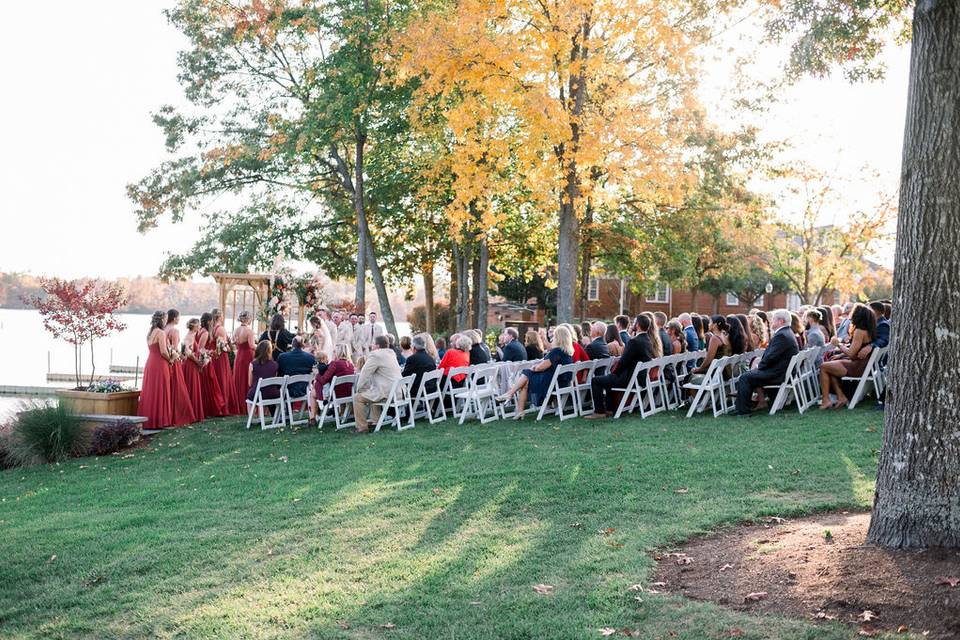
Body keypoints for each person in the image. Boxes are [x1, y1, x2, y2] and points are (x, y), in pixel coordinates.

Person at [496, 325, 575, 418]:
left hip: (551, 383)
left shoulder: (556, 351)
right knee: (526, 380)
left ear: (558, 337)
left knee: (526, 374)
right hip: (562, 382)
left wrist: (534, 368)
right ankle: (514, 401)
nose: (553, 338)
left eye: (554, 336)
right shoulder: (567, 352)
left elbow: (540, 368)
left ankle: (511, 396)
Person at [587, 315, 655, 418]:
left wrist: (614, 373)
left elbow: (623, 362)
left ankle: (599, 411)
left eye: (634, 323)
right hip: (640, 378)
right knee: (607, 379)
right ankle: (609, 409)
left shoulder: (634, 341)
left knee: (596, 380)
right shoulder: (648, 340)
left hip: (629, 378)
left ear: (638, 325)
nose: (632, 325)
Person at [734, 309, 800, 416]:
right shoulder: (787, 332)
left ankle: (743, 411)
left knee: (745, 377)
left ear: (781, 321)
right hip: (781, 370)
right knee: (749, 375)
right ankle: (747, 406)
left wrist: (759, 367)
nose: (771, 321)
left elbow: (771, 357)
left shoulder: (782, 335)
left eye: (773, 319)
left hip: (778, 373)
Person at [818, 303, 876, 409]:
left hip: (857, 366)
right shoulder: (868, 330)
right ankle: (841, 397)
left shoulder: (859, 331)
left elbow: (851, 353)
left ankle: (826, 400)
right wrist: (840, 355)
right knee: (830, 363)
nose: (850, 316)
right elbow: (854, 351)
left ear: (857, 316)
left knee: (823, 367)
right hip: (860, 363)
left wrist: (837, 344)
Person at [353, 335, 403, 433]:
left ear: (377, 345)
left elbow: (364, 373)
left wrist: (358, 389)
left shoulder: (376, 355)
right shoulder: (391, 353)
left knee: (357, 397)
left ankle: (362, 427)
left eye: (373, 343)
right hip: (399, 392)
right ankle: (375, 421)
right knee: (371, 392)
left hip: (388, 393)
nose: (372, 345)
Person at [137, 311, 173, 429]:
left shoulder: (150, 332)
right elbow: (163, 351)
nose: (166, 321)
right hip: (160, 364)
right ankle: (160, 421)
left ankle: (149, 420)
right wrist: (171, 359)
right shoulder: (161, 333)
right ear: (162, 319)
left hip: (150, 363)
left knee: (151, 391)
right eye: (166, 319)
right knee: (161, 389)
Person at [164, 309, 198, 426]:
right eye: (178, 317)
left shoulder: (163, 329)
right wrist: (182, 356)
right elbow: (174, 349)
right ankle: (178, 415)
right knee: (178, 389)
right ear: (174, 318)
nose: (179, 319)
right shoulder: (174, 330)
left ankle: (168, 415)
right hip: (174, 361)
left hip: (165, 361)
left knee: (169, 388)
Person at [308, 343, 355, 425]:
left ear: (337, 352)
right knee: (316, 388)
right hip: (349, 393)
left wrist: (317, 374)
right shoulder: (350, 364)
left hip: (335, 394)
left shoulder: (335, 364)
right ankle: (318, 412)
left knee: (312, 393)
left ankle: (312, 418)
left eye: (334, 351)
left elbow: (323, 380)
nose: (333, 353)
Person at [210, 308, 241, 415]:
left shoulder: (212, 328)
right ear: (219, 317)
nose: (223, 318)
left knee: (217, 380)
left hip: (215, 359)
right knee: (223, 380)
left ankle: (216, 406)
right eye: (222, 316)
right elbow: (223, 347)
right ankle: (224, 408)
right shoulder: (221, 329)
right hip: (221, 358)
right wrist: (231, 348)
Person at [687, 315, 730, 386]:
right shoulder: (724, 336)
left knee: (689, 376)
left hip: (715, 372)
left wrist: (699, 369)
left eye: (710, 322)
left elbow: (709, 359)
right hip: (723, 371)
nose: (708, 324)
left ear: (715, 325)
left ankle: (698, 397)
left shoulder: (715, 338)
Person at [198, 312, 227, 417]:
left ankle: (207, 409)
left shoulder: (201, 330)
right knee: (211, 386)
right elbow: (200, 349)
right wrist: (210, 352)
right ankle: (212, 409)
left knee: (208, 386)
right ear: (209, 321)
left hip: (205, 361)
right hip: (205, 362)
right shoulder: (205, 332)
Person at [180, 318, 205, 422]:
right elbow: (188, 353)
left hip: (191, 365)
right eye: (198, 325)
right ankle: (191, 413)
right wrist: (198, 362)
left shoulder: (191, 335)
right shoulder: (189, 337)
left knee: (193, 387)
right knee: (191, 386)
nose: (200, 326)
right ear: (194, 326)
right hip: (190, 366)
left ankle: (194, 412)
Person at [232, 310, 257, 411]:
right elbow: (252, 346)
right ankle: (246, 404)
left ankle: (237, 402)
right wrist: (260, 346)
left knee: (239, 377)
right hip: (247, 356)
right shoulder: (249, 331)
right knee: (246, 378)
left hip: (239, 356)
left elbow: (234, 342)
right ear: (248, 319)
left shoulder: (236, 330)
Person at [402, 334, 438, 398]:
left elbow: (404, 376)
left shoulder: (412, 358)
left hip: (419, 390)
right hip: (432, 388)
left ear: (413, 347)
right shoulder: (430, 358)